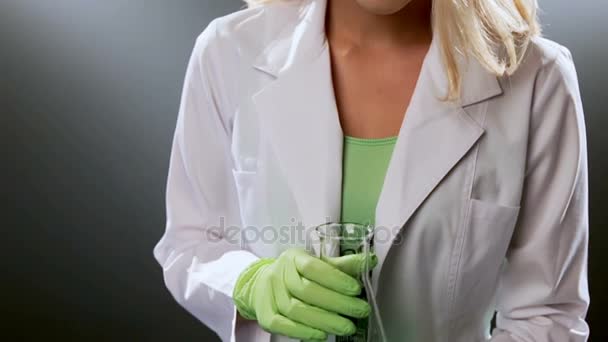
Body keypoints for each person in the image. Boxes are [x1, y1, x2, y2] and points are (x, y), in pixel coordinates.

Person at [153, 0, 591, 341]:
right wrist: (249, 282)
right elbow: (190, 244)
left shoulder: (538, 79)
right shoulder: (227, 53)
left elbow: (547, 315)